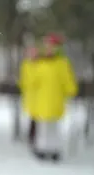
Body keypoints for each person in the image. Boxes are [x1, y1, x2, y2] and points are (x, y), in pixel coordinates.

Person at [31, 33, 78, 161]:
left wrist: (71, 90)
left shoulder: (62, 64)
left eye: (53, 46)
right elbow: (31, 82)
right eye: (48, 46)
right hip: (41, 102)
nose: (50, 49)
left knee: (54, 127)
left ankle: (54, 150)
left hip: (56, 102)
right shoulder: (40, 64)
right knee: (43, 128)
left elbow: (68, 80)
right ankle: (41, 149)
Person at [18, 46, 39, 146]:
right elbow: (24, 81)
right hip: (31, 97)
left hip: (40, 98)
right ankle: (32, 139)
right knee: (33, 119)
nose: (32, 54)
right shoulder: (26, 65)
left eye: (34, 52)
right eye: (30, 52)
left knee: (39, 121)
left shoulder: (41, 64)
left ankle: (37, 140)